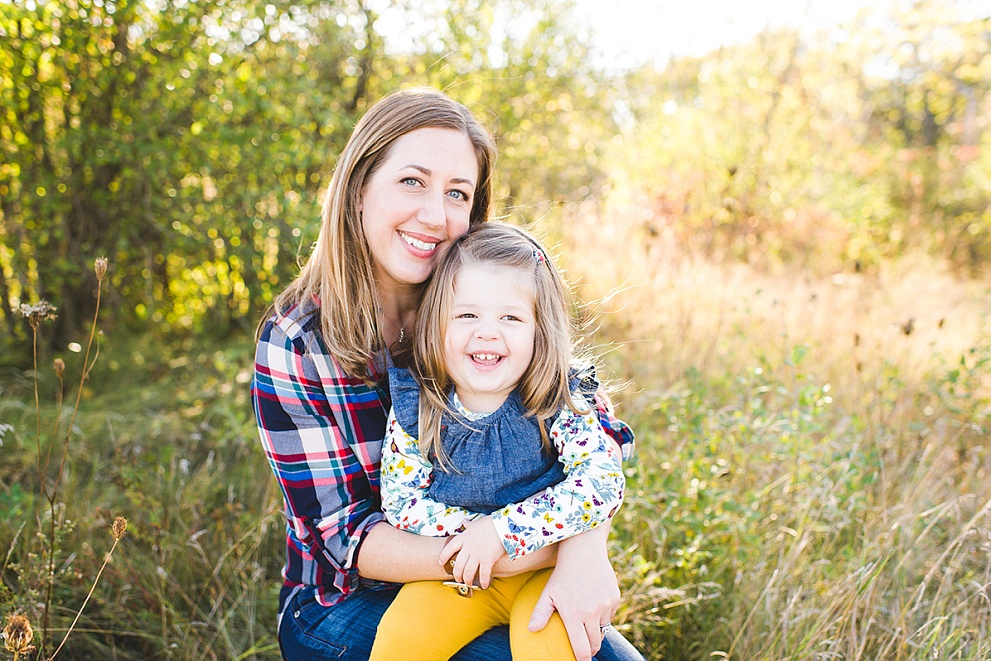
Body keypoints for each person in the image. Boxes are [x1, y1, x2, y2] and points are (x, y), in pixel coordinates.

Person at [252, 86, 642, 661]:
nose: (435, 215)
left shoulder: (481, 296)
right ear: (359, 187)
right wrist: (548, 545)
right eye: (412, 181)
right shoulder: (296, 340)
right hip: (348, 600)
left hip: (504, 564)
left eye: (457, 193)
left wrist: (586, 552)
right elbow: (346, 538)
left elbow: (594, 432)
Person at [368, 222, 628, 661]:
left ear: (538, 330)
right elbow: (401, 503)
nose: (488, 332)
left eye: (510, 317)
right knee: (400, 640)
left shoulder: (557, 398)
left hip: (545, 574)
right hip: (455, 577)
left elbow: (601, 481)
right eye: (467, 315)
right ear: (437, 324)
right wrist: (475, 539)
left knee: (548, 647)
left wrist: (504, 532)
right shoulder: (419, 405)